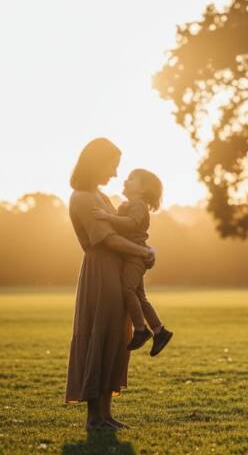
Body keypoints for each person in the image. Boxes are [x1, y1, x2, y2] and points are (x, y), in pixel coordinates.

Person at [65, 138, 155, 431]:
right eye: (113, 166)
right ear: (97, 163)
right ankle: (94, 417)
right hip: (100, 273)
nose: (116, 174)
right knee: (99, 336)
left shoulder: (101, 197)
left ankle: (106, 413)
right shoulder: (82, 197)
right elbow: (107, 239)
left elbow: (126, 231)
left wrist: (140, 252)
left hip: (114, 271)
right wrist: (144, 252)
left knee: (116, 338)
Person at [93, 168, 174, 356]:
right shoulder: (130, 204)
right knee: (139, 296)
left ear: (142, 189)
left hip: (134, 257)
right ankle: (160, 331)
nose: (125, 181)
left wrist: (108, 217)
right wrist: (116, 213)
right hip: (132, 256)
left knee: (127, 290)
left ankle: (141, 329)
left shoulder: (139, 206)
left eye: (131, 179)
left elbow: (131, 224)